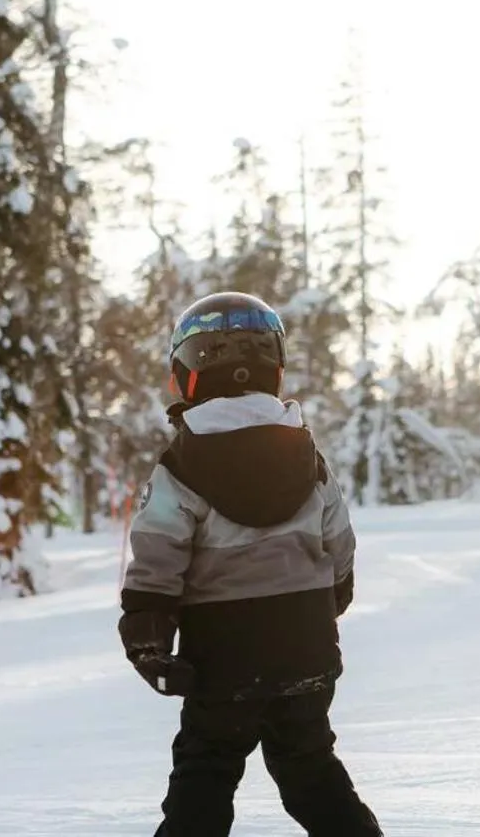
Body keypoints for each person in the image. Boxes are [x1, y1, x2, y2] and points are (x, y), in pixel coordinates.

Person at [118, 291, 383, 837]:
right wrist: (329, 599)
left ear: (187, 373)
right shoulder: (307, 457)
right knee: (310, 768)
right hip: (305, 649)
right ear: (275, 369)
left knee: (206, 771)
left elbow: (156, 558)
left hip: (222, 658)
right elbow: (340, 543)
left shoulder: (181, 466)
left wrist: (147, 635)